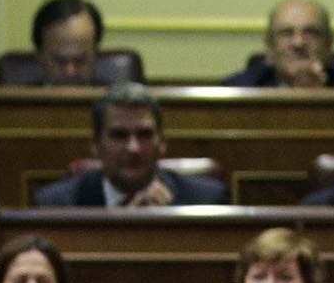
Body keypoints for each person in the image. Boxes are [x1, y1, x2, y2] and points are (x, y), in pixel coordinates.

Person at [32, 84, 229, 208]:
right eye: (119, 135)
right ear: (96, 145)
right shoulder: (57, 204)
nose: (133, 148)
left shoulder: (207, 200)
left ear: (162, 142)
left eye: (144, 134)